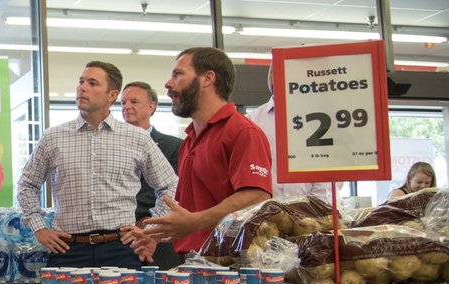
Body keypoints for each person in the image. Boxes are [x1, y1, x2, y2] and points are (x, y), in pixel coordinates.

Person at [18, 62, 177, 271]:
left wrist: (151, 230)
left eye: (92, 83)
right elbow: (26, 185)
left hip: (121, 247)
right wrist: (39, 229)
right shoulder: (53, 137)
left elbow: (170, 185)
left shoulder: (137, 138)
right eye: (81, 82)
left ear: (112, 95)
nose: (82, 88)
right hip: (68, 248)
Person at [139, 47, 273, 259]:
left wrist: (195, 222)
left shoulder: (242, 131)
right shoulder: (190, 139)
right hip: (193, 260)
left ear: (208, 78)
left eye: (178, 74)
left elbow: (256, 196)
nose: (168, 84)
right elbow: (188, 209)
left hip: (230, 263)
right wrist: (157, 234)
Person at [120, 80, 184, 268]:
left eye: (133, 101)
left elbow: (174, 190)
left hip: (156, 235)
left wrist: (144, 222)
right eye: (123, 102)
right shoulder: (111, 147)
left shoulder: (174, 146)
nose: (126, 106)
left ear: (151, 106)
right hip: (117, 238)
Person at [245, 65, 331, 202]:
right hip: (264, 209)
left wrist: (314, 206)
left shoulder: (320, 118)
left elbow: (329, 165)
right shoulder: (251, 121)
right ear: (271, 77)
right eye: (278, 71)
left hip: (313, 209)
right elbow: (246, 172)